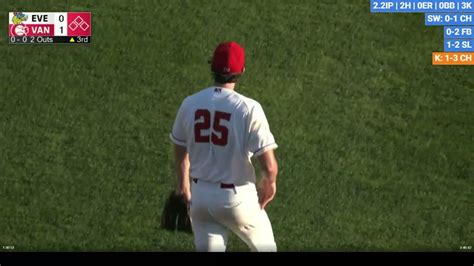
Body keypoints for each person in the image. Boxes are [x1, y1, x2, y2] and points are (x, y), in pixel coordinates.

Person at [169, 41, 279, 252]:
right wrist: (270, 183)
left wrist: (183, 184)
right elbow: (269, 166)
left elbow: (180, 148)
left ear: (212, 68)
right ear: (242, 71)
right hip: (237, 200)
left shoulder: (189, 103)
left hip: (200, 199)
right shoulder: (249, 108)